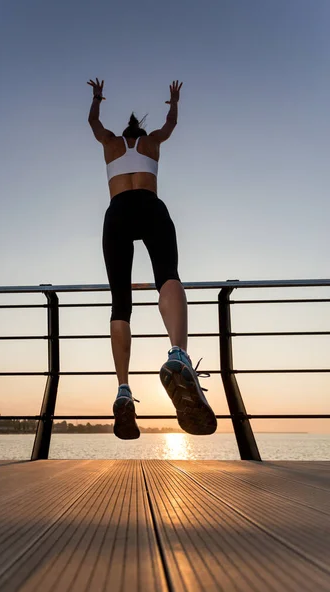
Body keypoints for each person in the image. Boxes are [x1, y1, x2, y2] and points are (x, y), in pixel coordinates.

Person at [87, 77, 217, 440]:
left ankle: (123, 392)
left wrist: (97, 97)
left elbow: (93, 123)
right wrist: (173, 101)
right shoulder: (152, 141)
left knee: (120, 302)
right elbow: (171, 125)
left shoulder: (110, 143)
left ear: (122, 131)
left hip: (117, 212)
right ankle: (178, 355)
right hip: (150, 206)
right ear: (141, 131)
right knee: (168, 276)